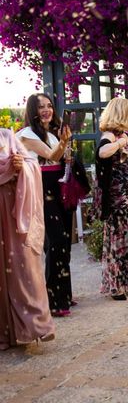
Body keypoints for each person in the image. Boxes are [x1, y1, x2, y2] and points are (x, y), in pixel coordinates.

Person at [17, 93, 74, 317]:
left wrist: (66, 149)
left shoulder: (52, 132)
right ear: (32, 111)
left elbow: (61, 157)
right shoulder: (26, 134)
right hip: (42, 189)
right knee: (55, 241)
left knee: (65, 243)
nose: (46, 110)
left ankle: (64, 295)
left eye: (49, 105)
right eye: (41, 107)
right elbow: (51, 155)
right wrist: (63, 143)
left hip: (60, 187)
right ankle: (52, 298)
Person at [0, 129, 55, 349]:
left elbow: (33, 166)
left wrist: (22, 167)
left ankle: (34, 325)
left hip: (14, 209)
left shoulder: (6, 136)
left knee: (23, 266)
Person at [95, 98, 128, 300]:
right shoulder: (109, 135)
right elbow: (102, 153)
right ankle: (116, 285)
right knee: (119, 239)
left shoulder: (126, 136)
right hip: (118, 198)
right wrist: (119, 143)